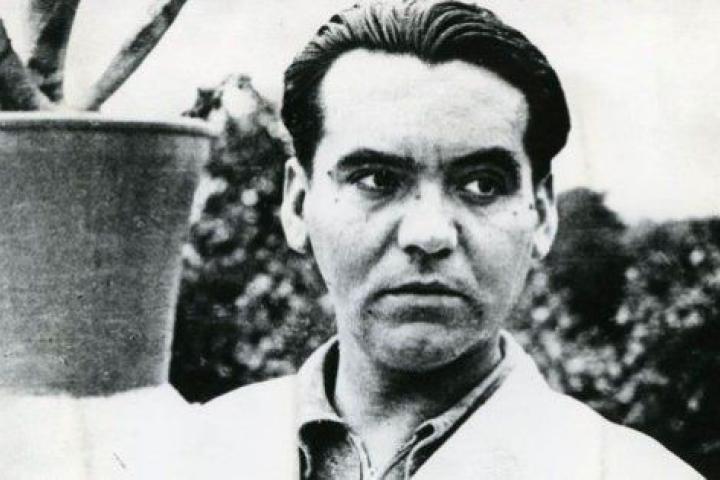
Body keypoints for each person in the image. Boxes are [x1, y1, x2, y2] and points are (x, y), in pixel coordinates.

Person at [195, 1, 703, 478]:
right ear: (297, 204)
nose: (429, 234)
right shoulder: (184, 455)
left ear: (543, 213)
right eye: (376, 179)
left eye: (482, 185)